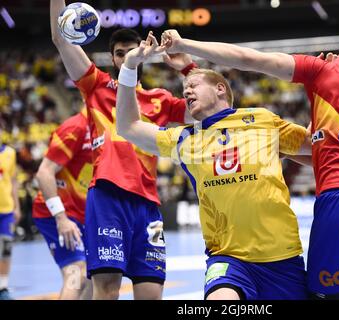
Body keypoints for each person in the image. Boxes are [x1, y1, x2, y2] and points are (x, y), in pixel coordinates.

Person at [160, 15, 339, 300]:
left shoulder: (324, 69)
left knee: (326, 295)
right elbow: (326, 145)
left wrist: (184, 44)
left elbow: (248, 58)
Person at [115, 34, 312, 300]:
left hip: (283, 259)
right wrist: (129, 67)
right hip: (228, 260)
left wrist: (323, 91)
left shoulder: (262, 120)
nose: (186, 92)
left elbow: (317, 148)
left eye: (193, 86)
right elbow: (128, 126)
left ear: (221, 88)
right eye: (185, 90)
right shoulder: (184, 139)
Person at [50, 0, 196, 300]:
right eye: (120, 53)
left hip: (148, 204)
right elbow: (61, 38)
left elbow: (202, 111)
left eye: (132, 50)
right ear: (114, 59)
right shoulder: (96, 85)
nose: (127, 56)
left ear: (143, 51)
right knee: (107, 290)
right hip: (107, 196)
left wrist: (187, 68)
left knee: (152, 293)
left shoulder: (161, 99)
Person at [33, 107, 93, 300]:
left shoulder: (107, 128)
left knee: (96, 274)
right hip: (58, 213)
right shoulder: (75, 127)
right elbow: (44, 173)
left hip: (84, 212)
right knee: (77, 272)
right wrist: (61, 218)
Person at [0, 127, 21, 300]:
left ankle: (3, 287)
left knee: (6, 250)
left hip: (6, 210)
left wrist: (17, 206)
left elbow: (13, 181)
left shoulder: (10, 154)